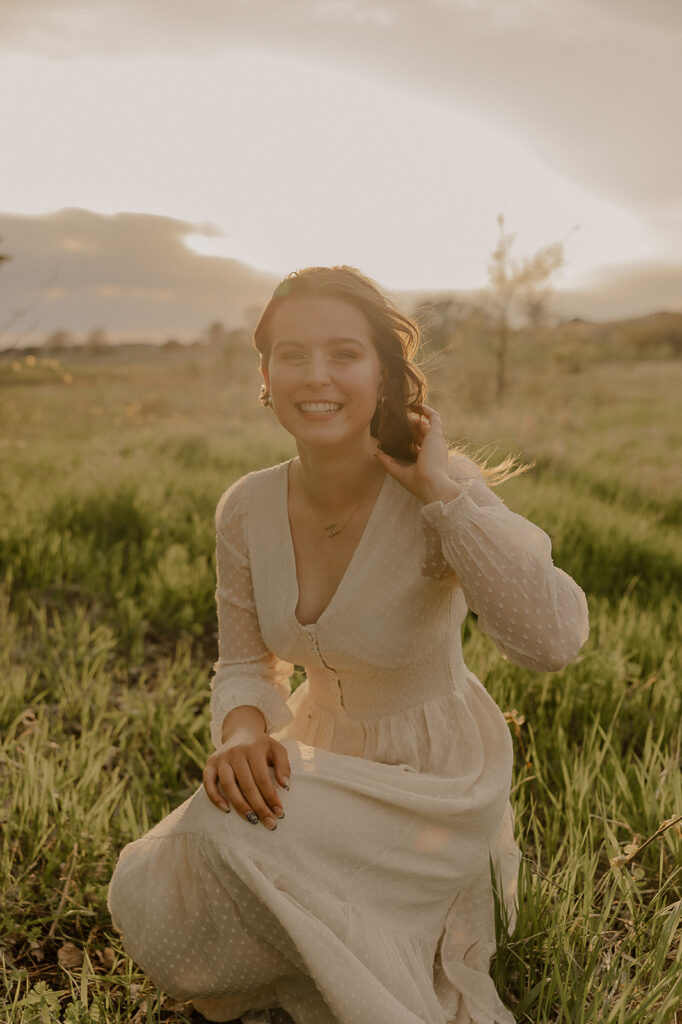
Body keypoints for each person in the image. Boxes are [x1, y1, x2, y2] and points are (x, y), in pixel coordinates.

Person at [108, 266, 589, 1024]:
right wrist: (241, 734)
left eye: (344, 353)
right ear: (265, 375)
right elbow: (243, 663)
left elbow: (553, 641)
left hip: (437, 774)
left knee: (228, 837)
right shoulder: (246, 508)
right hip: (319, 746)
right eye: (291, 355)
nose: (316, 377)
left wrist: (444, 497)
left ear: (385, 372)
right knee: (171, 865)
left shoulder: (439, 489)